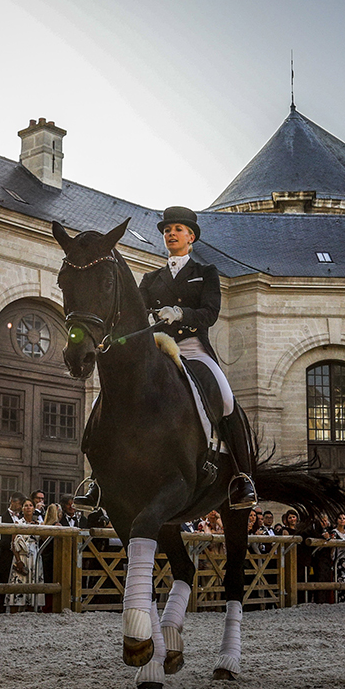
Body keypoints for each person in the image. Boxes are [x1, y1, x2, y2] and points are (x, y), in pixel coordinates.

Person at [137, 205, 256, 510]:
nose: (170, 234)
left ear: (191, 237)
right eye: (167, 230)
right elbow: (137, 315)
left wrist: (181, 314)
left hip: (192, 347)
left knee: (227, 399)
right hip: (159, 347)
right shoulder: (151, 279)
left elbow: (210, 313)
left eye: (177, 229)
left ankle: (243, 478)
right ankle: (98, 481)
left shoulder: (205, 274)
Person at [5, 499, 43, 612]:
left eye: (31, 505)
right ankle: (15, 608)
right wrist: (18, 561)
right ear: (22, 508)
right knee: (18, 581)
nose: (28, 508)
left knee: (33, 581)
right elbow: (13, 543)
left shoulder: (38, 524)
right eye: (26, 505)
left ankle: (32, 608)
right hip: (21, 555)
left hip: (35, 556)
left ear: (34, 508)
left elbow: (45, 539)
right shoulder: (18, 524)